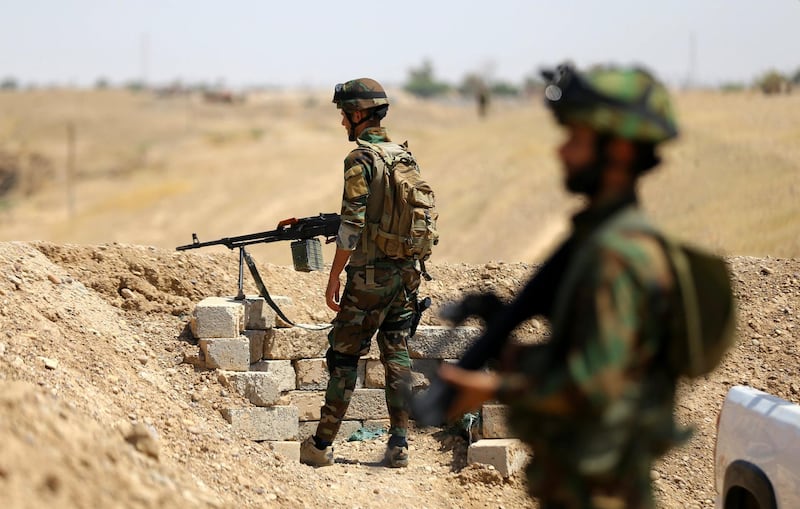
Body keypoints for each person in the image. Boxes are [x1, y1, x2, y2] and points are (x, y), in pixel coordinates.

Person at [437, 63, 688, 508]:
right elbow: (579, 354)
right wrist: (504, 336)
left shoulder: (618, 254)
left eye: (576, 139)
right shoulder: (594, 241)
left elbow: (599, 386)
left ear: (621, 149)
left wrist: (493, 389)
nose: (563, 153)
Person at [300, 78, 421, 468]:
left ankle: (320, 446)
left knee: (344, 355)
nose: (341, 124)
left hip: (369, 276)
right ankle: (400, 444)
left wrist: (335, 274)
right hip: (405, 275)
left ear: (357, 114)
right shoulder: (404, 157)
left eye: (343, 115)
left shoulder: (360, 160)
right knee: (397, 355)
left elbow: (352, 226)